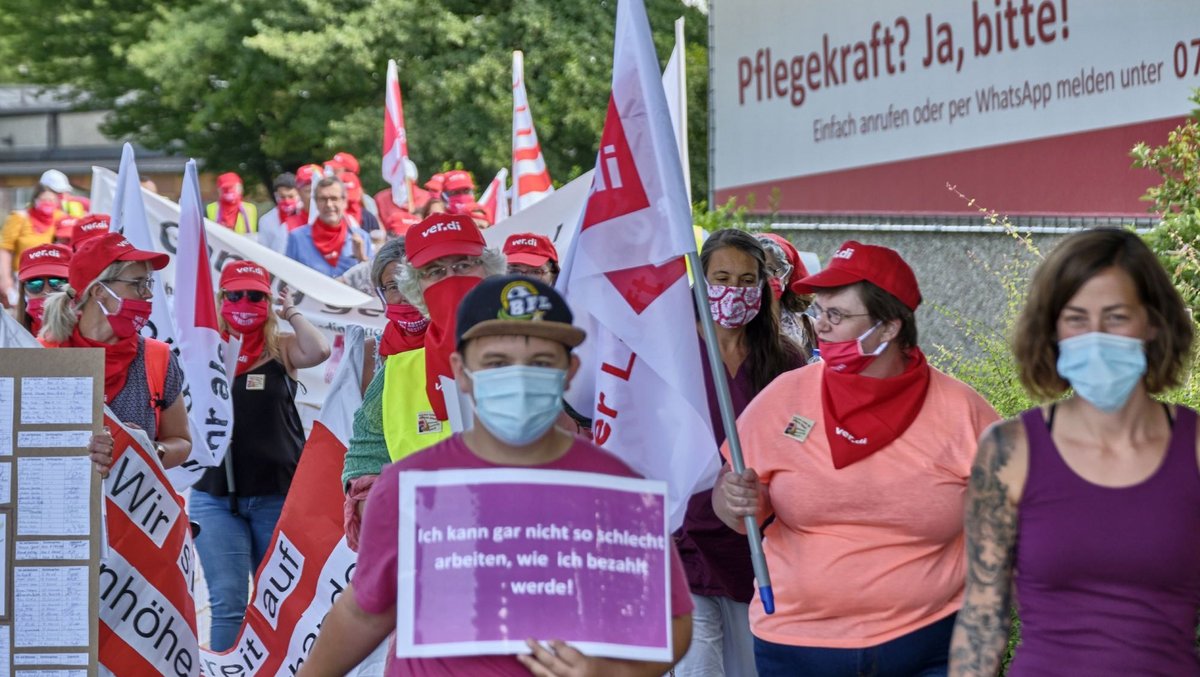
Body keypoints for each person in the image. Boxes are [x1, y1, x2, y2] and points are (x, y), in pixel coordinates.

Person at [301, 275, 694, 676]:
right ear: (462, 370)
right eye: (496, 362)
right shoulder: (410, 487)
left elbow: (671, 621)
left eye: (540, 362)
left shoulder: (619, 490)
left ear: (570, 369)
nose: (519, 378)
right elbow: (364, 612)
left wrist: (612, 673)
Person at [714, 241, 999, 677]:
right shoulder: (785, 397)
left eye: (837, 315)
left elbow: (1008, 529)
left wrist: (987, 634)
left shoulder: (962, 412)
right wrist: (734, 499)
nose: (820, 327)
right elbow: (733, 503)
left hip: (931, 643)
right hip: (797, 643)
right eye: (818, 311)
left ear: (888, 328)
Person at [949, 228, 1200, 676]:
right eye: (1076, 318)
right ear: (1051, 330)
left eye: (1117, 317)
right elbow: (983, 618)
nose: (1095, 335)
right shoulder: (1009, 452)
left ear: (1155, 323)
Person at [674, 229, 805, 677]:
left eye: (747, 280)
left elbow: (803, 439)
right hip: (680, 536)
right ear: (700, 279)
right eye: (723, 276)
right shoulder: (669, 352)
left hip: (754, 541)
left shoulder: (785, 360)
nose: (735, 290)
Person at [340, 213, 506, 548]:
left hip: (523, 542)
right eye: (435, 272)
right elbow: (364, 457)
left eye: (463, 265)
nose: (451, 280)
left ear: (489, 271)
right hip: (435, 546)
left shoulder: (541, 347)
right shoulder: (397, 371)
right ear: (417, 290)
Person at [190, 259, 330, 651]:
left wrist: (292, 313)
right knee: (229, 604)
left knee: (279, 605)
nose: (244, 302)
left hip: (277, 496)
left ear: (267, 302)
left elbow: (318, 350)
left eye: (255, 296)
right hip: (214, 496)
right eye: (235, 295)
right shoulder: (204, 349)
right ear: (220, 299)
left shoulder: (280, 346)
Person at [36, 233, 192, 476]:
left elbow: (181, 441)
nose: (148, 294)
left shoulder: (157, 356)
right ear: (99, 291)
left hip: (132, 511)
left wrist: (151, 449)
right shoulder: (42, 356)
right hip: (60, 507)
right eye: (137, 283)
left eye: (148, 283)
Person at [285, 176, 372, 277]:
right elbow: (287, 278)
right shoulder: (297, 238)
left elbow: (373, 282)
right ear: (316, 202)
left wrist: (362, 259)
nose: (329, 204)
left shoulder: (362, 238)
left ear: (344, 201)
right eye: (323, 199)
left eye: (334, 198)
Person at [1, 183, 66, 307]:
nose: (48, 203)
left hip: (51, 277)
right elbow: (5, 249)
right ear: (35, 200)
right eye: (44, 200)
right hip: (22, 276)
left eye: (51, 200)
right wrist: (5, 278)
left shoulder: (60, 218)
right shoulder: (20, 217)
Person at [755, 233, 816, 356]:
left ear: (786, 274)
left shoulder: (808, 326)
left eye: (771, 269)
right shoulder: (737, 321)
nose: (764, 278)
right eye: (756, 270)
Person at [14, 243, 71, 336]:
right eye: (35, 284)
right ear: (23, 290)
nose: (46, 291)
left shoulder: (91, 335)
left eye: (57, 282)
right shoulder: (8, 336)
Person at [256, 173, 302, 253]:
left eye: (291, 196)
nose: (287, 201)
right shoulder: (266, 220)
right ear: (276, 196)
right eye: (282, 197)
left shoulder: (307, 216)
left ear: (298, 195)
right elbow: (263, 250)